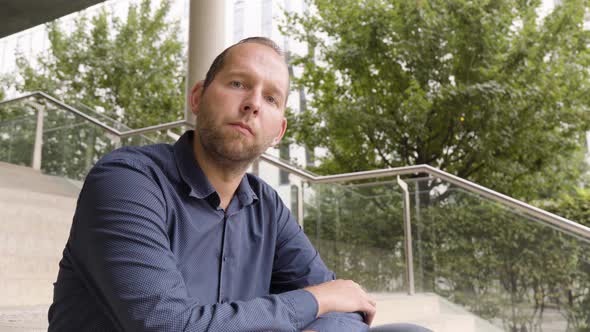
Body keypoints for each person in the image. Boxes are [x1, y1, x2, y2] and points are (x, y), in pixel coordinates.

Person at [48, 37, 431, 332]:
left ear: (278, 130)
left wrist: (324, 306)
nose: (252, 104)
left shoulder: (266, 207)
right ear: (197, 97)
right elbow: (167, 324)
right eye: (237, 83)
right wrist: (313, 302)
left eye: (271, 97)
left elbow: (349, 308)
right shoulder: (127, 180)